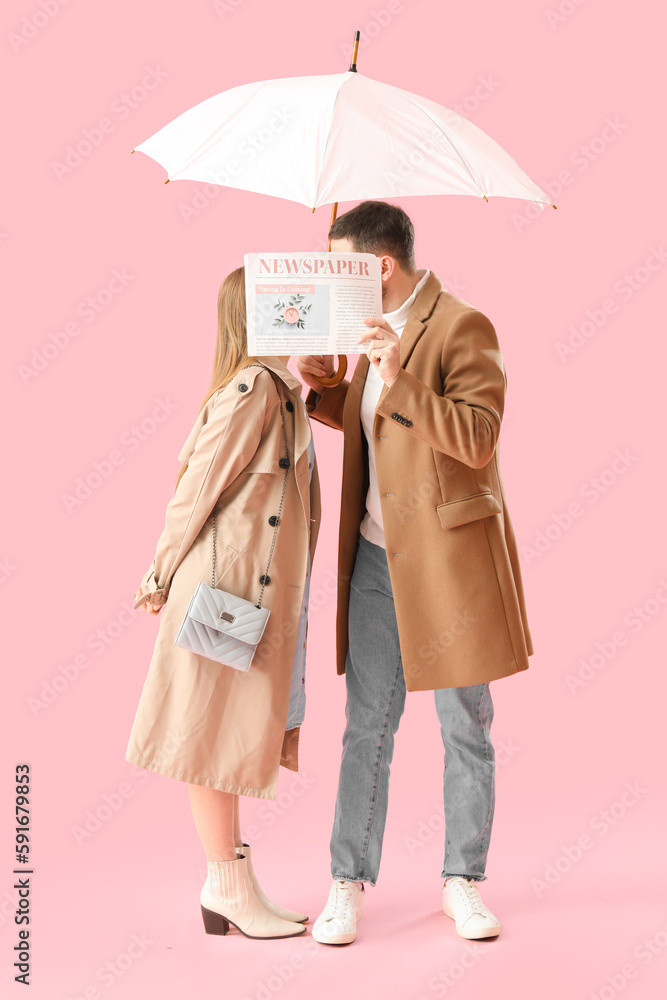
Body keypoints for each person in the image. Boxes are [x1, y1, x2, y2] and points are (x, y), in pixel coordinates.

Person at [296, 200, 534, 945]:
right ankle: (348, 880)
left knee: (463, 723)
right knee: (366, 725)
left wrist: (396, 376)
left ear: (377, 267)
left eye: (341, 262)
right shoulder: (360, 335)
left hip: (447, 562)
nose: (332, 274)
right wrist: (329, 389)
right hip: (373, 556)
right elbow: (378, 429)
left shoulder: (462, 325)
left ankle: (462, 881)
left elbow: (476, 437)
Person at [125, 266, 321, 940]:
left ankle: (232, 883)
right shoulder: (253, 389)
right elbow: (197, 487)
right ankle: (224, 884)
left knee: (230, 735)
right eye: (289, 301)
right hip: (221, 592)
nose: (301, 307)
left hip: (240, 589)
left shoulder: (277, 388)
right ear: (261, 312)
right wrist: (157, 573)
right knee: (211, 738)